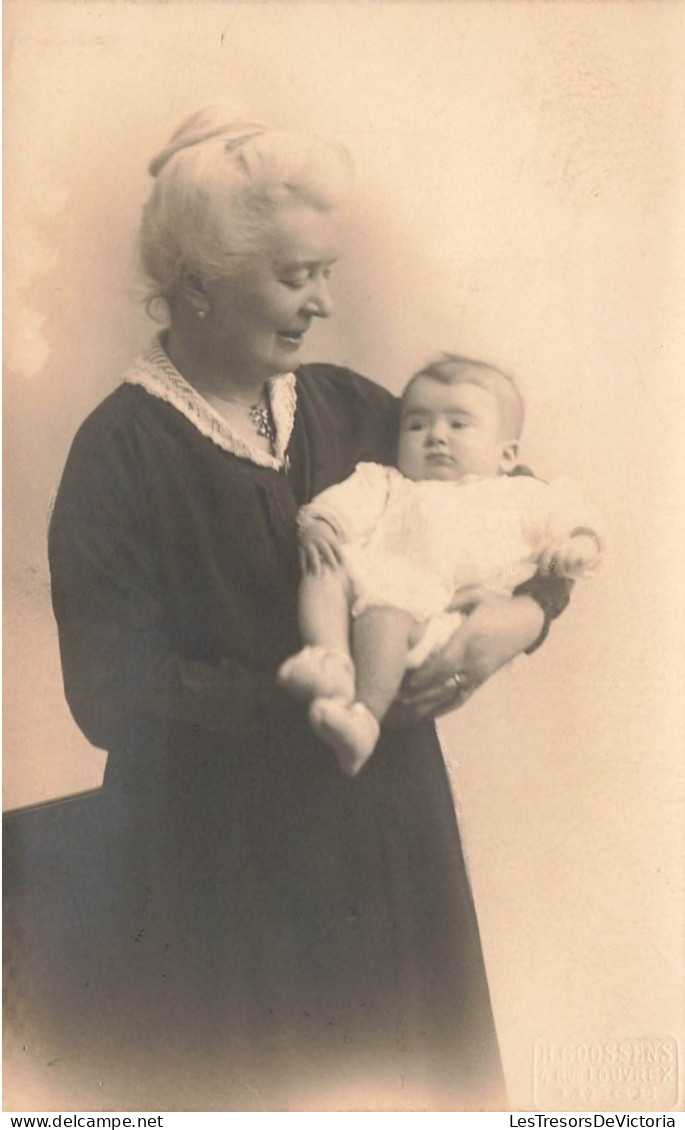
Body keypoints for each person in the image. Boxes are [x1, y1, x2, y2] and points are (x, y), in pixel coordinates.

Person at [47, 106, 573, 1111]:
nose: (324, 303)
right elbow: (109, 695)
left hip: (391, 836)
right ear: (199, 283)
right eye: (298, 278)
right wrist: (309, 701)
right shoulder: (119, 450)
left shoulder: (339, 403)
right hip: (227, 869)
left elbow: (513, 492)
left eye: (326, 272)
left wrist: (525, 617)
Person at [278, 355, 602, 776]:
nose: (435, 437)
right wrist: (321, 525)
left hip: (435, 612)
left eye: (458, 424)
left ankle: (363, 718)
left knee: (385, 615)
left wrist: (580, 543)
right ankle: (331, 660)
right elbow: (343, 507)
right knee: (326, 564)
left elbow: (566, 512)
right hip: (373, 584)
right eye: (417, 425)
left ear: (507, 454)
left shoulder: (515, 495)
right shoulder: (385, 481)